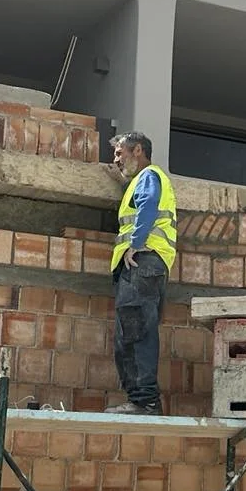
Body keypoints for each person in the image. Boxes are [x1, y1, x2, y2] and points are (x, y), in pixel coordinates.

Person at [107, 131, 177, 414]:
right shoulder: (143, 179)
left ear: (138, 151)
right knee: (132, 331)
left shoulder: (148, 177)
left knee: (135, 333)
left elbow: (147, 205)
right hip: (148, 267)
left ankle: (145, 401)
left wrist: (135, 245)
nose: (116, 160)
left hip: (142, 262)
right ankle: (141, 399)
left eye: (119, 153)